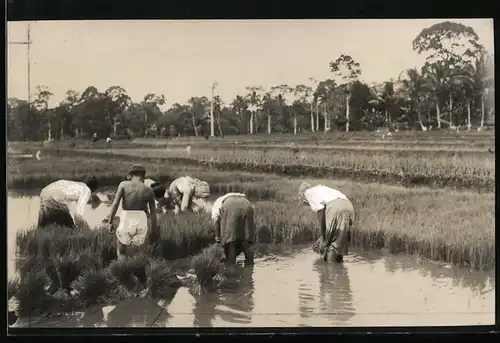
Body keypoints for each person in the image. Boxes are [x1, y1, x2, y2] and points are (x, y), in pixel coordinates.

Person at [107, 165, 158, 260]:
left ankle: (123, 270)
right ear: (143, 176)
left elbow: (115, 203)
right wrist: (154, 231)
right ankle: (138, 269)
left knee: (121, 251)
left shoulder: (123, 185)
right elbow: (153, 213)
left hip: (126, 218)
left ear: (130, 175)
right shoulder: (149, 190)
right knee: (139, 251)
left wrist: (110, 222)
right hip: (141, 219)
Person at [298, 182, 354, 263]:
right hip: (348, 206)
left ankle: (330, 270)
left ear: (302, 197)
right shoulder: (323, 189)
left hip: (335, 207)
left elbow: (321, 212)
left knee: (330, 244)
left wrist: (323, 237)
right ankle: (339, 269)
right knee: (339, 241)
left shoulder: (308, 193)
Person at [211, 192, 255, 266]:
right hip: (247, 204)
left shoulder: (216, 204)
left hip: (230, 205)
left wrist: (218, 238)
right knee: (247, 240)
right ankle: (250, 266)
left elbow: (216, 220)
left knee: (231, 241)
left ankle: (231, 267)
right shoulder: (223, 199)